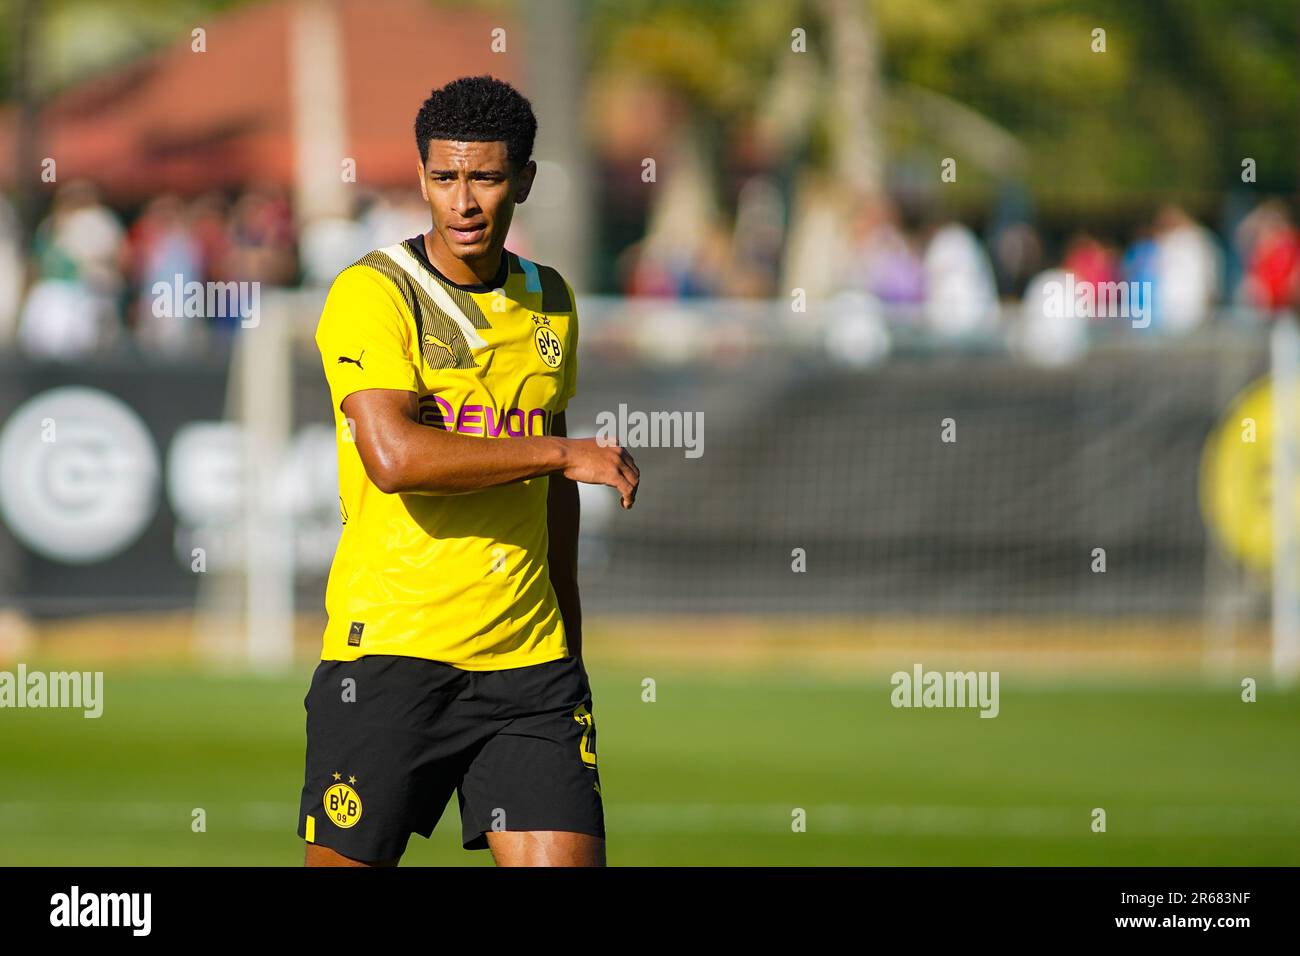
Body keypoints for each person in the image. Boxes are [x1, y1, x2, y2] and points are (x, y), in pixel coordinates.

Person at [297, 75, 639, 868]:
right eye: (444, 178)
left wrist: (570, 640)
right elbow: (395, 458)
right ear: (421, 177)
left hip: (529, 666)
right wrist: (560, 451)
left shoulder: (549, 300)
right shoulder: (373, 293)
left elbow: (556, 496)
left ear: (523, 179)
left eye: (485, 177)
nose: (464, 202)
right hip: (390, 655)